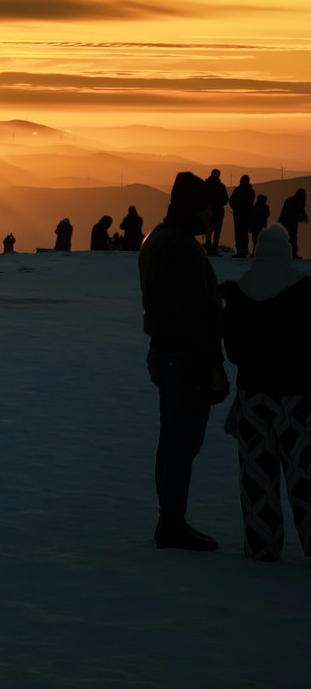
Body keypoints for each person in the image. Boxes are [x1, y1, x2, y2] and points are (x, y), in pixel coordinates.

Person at [139, 170, 228, 551]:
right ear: (196, 209)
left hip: (164, 353)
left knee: (171, 437)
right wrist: (213, 365)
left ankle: (169, 516)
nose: (213, 217)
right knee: (182, 441)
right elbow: (194, 316)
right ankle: (171, 522)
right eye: (209, 209)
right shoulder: (184, 250)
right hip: (183, 357)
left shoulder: (157, 239)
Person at [221, 224, 311, 562]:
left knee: (257, 475)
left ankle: (262, 545)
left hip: (251, 398)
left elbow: (233, 351)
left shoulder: (239, 292)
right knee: (303, 474)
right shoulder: (304, 289)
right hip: (297, 397)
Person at [227, 174, 255, 259]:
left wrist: (236, 208)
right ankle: (244, 250)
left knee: (238, 232)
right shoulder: (250, 191)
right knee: (244, 232)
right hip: (246, 215)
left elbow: (231, 201)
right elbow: (250, 203)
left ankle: (239, 251)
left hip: (238, 215)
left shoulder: (238, 190)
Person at [204, 169, 229, 256]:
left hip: (207, 212)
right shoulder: (221, 186)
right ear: (218, 176)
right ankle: (214, 250)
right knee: (217, 233)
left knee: (208, 232)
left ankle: (208, 250)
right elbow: (226, 200)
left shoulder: (205, 185)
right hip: (218, 212)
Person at [278, 187, 308, 260]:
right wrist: (301, 218)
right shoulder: (293, 202)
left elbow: (300, 210)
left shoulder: (295, 201)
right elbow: (291, 214)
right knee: (291, 238)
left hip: (288, 223)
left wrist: (304, 217)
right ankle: (291, 254)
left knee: (291, 238)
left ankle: (292, 254)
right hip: (287, 223)